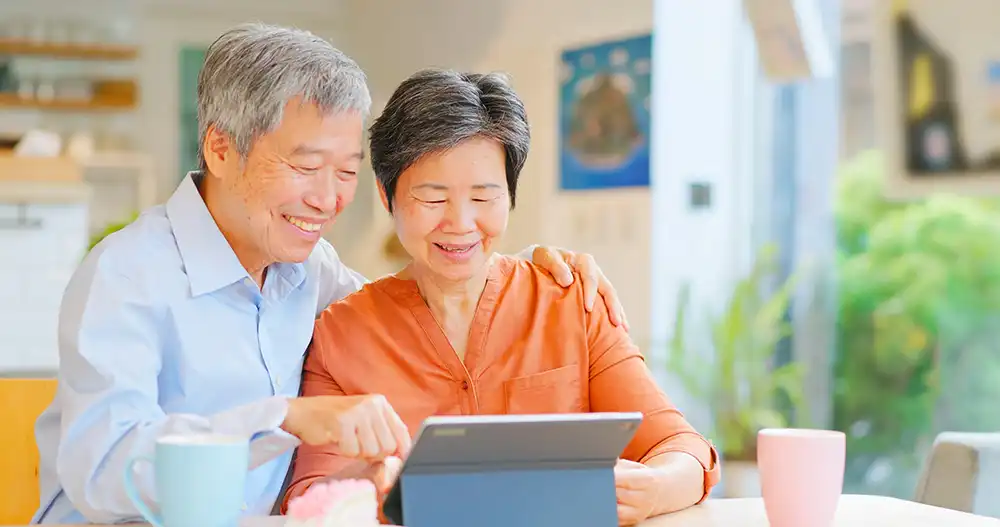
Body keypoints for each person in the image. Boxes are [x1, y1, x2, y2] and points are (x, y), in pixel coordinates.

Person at [31, 25, 626, 525]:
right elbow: (103, 469)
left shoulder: (310, 269)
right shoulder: (126, 275)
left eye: (346, 171)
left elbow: (411, 305)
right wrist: (284, 417)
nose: (328, 199)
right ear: (218, 148)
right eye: (306, 165)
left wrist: (529, 268)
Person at [284, 69, 720, 526]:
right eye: (433, 199)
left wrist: (655, 489)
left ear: (510, 196)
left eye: (483, 197)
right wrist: (374, 482)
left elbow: (684, 449)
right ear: (386, 196)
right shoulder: (339, 336)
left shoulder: (574, 303)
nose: (460, 223)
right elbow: (311, 499)